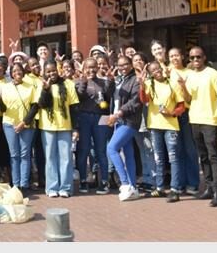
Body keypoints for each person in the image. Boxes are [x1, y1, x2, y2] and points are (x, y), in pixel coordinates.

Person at [183, 47, 217, 207]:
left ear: (204, 57)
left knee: (213, 156)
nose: (195, 60)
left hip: (209, 120)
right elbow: (187, 99)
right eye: (192, 57)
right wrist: (183, 87)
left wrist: (212, 105)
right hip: (194, 119)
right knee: (202, 156)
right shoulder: (188, 75)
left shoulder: (212, 74)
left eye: (198, 57)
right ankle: (209, 188)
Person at [139, 61, 186, 202]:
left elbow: (181, 106)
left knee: (173, 157)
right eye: (153, 70)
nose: (156, 71)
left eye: (158, 68)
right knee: (158, 158)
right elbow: (144, 100)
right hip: (155, 125)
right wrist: (141, 84)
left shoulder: (172, 83)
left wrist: (171, 113)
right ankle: (160, 188)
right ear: (150, 73)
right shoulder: (148, 84)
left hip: (171, 126)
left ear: (162, 68)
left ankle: (174, 189)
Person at [36, 62, 79, 198]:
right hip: (47, 127)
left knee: (66, 158)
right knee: (50, 158)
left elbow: (73, 108)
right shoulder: (41, 84)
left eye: (53, 71)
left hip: (65, 126)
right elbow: (41, 104)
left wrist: (75, 128)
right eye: (48, 72)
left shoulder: (68, 84)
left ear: (58, 70)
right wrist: (46, 90)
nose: (51, 74)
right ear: (44, 72)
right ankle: (52, 187)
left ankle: (65, 187)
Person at [0, 63, 38, 194]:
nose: (17, 73)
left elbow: (35, 107)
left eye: (19, 70)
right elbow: (3, 110)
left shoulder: (30, 87)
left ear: (23, 72)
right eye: (14, 71)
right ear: (11, 73)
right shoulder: (5, 87)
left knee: (25, 154)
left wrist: (24, 123)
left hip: (26, 124)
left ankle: (24, 184)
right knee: (14, 155)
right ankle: (16, 184)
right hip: (9, 124)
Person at [74, 58, 114, 194]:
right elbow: (79, 98)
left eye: (94, 67)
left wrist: (111, 82)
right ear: (84, 68)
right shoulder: (79, 82)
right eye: (88, 67)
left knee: (101, 150)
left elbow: (109, 99)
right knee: (84, 150)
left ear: (97, 68)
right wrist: (84, 82)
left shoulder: (104, 82)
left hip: (101, 118)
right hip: (84, 117)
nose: (91, 70)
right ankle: (84, 181)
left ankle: (104, 182)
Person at [105, 56, 143, 202]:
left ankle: (125, 183)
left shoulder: (136, 79)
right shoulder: (120, 79)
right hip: (118, 120)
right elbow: (110, 96)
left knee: (111, 148)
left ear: (131, 64)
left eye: (126, 64)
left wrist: (119, 113)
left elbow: (136, 101)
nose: (123, 67)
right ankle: (133, 187)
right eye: (120, 65)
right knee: (128, 153)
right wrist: (109, 80)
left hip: (129, 120)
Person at [167, 48, 201, 195]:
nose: (174, 58)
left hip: (187, 114)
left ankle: (192, 183)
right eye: (171, 56)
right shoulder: (166, 72)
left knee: (190, 150)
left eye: (176, 55)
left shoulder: (190, 73)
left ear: (182, 56)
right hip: (171, 115)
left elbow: (191, 97)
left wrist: (183, 86)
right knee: (176, 150)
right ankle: (179, 184)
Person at [131, 52, 156, 192]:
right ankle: (146, 177)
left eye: (141, 59)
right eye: (135, 60)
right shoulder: (130, 78)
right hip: (135, 119)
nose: (138, 62)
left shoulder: (150, 78)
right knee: (142, 150)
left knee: (149, 149)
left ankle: (151, 179)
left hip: (147, 118)